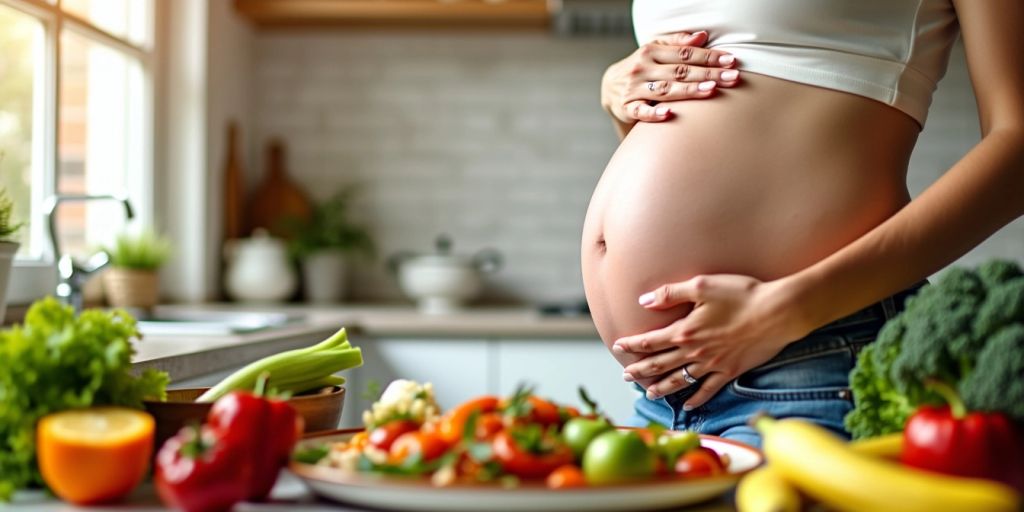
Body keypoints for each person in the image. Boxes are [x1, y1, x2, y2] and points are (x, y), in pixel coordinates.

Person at [581, 0, 1024, 447]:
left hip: (812, 362)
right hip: (662, 392)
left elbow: (1018, 149)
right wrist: (619, 92)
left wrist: (787, 310)